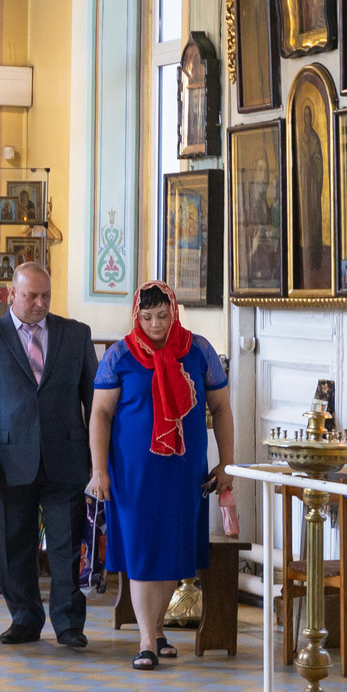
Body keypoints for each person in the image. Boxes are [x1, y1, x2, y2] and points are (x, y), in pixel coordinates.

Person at [87, 283, 235, 671]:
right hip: (133, 472)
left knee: (173, 550)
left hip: (182, 470)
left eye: (162, 316)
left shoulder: (199, 351)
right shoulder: (119, 355)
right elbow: (100, 414)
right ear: (136, 316)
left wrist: (227, 463)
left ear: (175, 312)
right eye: (147, 317)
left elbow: (220, 408)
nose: (155, 324)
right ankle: (146, 639)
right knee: (140, 550)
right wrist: (98, 469)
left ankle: (156, 631)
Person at [0, 263, 95, 649]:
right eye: (32, 296)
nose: (40, 303)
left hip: (66, 456)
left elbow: (95, 401)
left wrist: (97, 460)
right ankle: (24, 618)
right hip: (8, 459)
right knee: (14, 542)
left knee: (65, 544)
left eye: (46, 296)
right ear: (10, 295)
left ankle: (69, 623)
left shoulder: (75, 335)